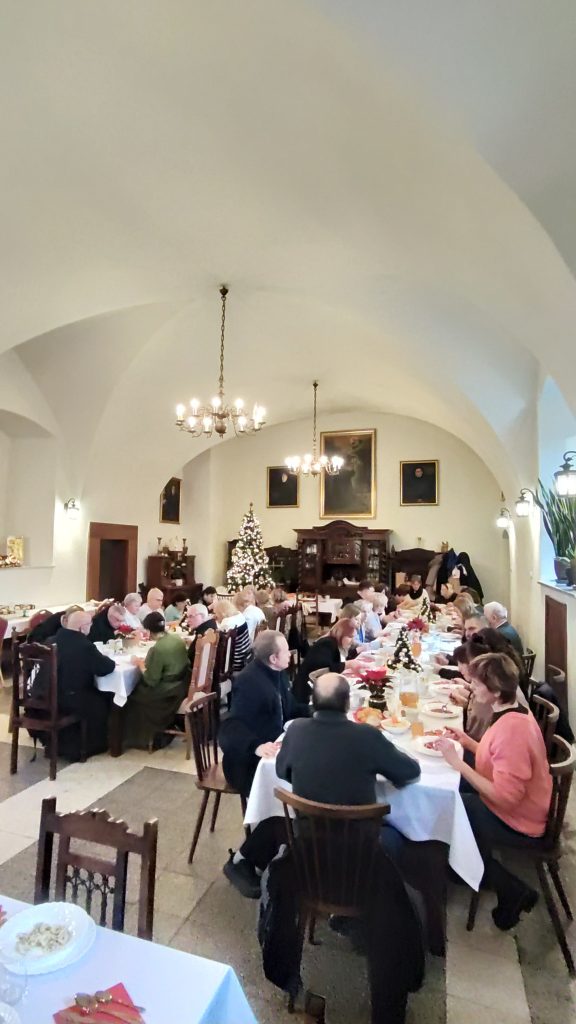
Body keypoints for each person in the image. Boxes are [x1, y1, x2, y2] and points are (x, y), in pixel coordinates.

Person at [223, 672, 420, 898]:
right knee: (401, 836)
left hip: (307, 837)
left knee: (282, 816)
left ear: (313, 702)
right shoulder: (367, 736)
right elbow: (410, 773)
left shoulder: (295, 730)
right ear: (347, 703)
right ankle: (374, 897)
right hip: (359, 845)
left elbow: (281, 771)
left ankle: (248, 860)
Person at [437, 652, 551, 930]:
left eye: (477, 684)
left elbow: (506, 797)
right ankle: (467, 861)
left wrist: (458, 764)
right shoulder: (511, 712)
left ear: (496, 690)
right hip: (520, 805)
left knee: (448, 811)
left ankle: (510, 888)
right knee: (453, 796)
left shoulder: (513, 730)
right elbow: (495, 757)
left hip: (520, 819)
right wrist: (466, 741)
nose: (471, 688)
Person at [219, 630, 311, 798]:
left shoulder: (278, 673)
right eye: (286, 651)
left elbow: (290, 709)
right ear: (273, 659)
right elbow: (230, 728)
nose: (290, 654)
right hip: (248, 762)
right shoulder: (249, 682)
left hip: (275, 745)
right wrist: (256, 747)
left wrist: (318, 711)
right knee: (304, 773)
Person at [52, 610, 115, 760]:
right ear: (82, 628)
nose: (91, 627)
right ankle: (88, 746)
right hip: (69, 699)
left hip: (46, 696)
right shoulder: (84, 645)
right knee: (104, 698)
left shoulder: (52, 640)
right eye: (89, 624)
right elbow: (105, 667)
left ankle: (57, 743)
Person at [123, 612, 189, 750]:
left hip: (168, 691)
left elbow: (151, 680)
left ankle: (140, 738)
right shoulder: (176, 638)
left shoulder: (157, 649)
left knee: (131, 695)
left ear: (148, 631)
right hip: (182, 684)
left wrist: (140, 664)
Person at [292, 618, 357, 703]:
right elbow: (323, 670)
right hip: (306, 695)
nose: (352, 641)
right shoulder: (327, 644)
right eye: (350, 637)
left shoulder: (333, 643)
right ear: (341, 634)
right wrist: (347, 665)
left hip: (315, 690)